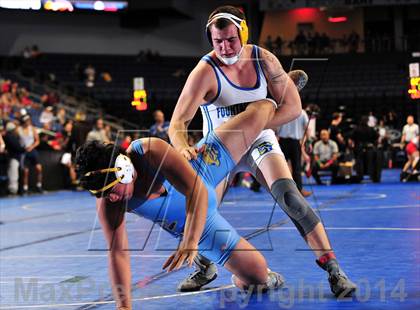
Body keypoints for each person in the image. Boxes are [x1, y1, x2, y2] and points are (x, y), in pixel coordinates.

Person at [168, 5, 356, 297]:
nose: (225, 47)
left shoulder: (263, 59)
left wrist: (254, 124)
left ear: (243, 33)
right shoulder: (205, 71)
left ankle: (333, 268)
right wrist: (181, 145)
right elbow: (177, 122)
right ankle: (205, 265)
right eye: (217, 41)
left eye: (230, 39)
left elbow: (293, 108)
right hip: (220, 144)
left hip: (258, 140)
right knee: (200, 209)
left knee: (291, 197)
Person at [75, 99, 284, 309]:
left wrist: (190, 243)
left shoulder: (148, 151)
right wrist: (123, 306)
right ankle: (225, 269)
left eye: (111, 191)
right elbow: (118, 253)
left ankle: (276, 92)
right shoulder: (109, 203)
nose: (111, 198)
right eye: (103, 195)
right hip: (197, 224)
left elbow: (197, 191)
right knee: (258, 276)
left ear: (124, 170)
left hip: (202, 170)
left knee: (261, 110)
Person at [278, 110, 312, 197]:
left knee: (282, 167)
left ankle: (283, 189)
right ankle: (298, 190)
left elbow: (276, 126)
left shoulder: (283, 110)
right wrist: (309, 141)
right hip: (292, 142)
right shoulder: (301, 112)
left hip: (285, 141)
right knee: (294, 167)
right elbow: (307, 128)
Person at [18, 114, 43, 194]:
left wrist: (31, 147)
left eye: (29, 120)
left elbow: (37, 141)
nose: (28, 122)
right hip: (24, 151)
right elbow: (16, 140)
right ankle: (25, 188)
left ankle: (39, 185)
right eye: (27, 121)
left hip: (32, 151)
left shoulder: (32, 129)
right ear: (23, 121)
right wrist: (22, 147)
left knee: (39, 168)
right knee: (25, 171)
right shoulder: (18, 130)